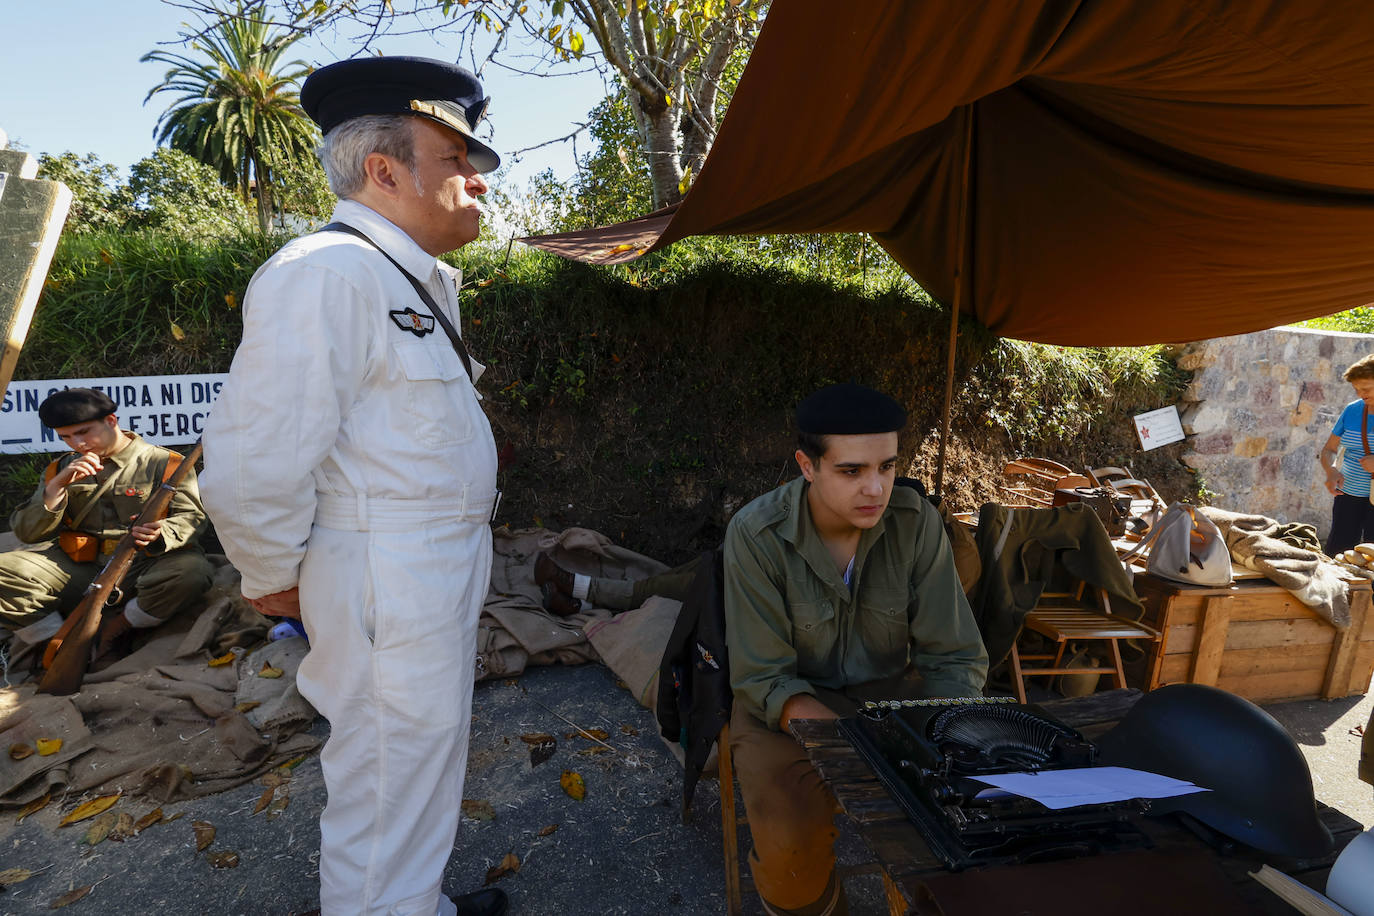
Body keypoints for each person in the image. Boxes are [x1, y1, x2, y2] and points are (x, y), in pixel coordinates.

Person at [200, 57, 506, 916]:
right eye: (459, 162)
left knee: (418, 760)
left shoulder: (399, 275)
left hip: (425, 566)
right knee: (385, 775)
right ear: (384, 170)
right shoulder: (324, 273)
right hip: (386, 569)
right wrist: (271, 577)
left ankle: (417, 905)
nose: (480, 183)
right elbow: (254, 459)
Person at [723, 383, 988, 916]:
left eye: (887, 466)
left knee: (970, 817)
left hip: (891, 700)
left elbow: (954, 656)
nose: (875, 488)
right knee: (789, 852)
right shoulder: (756, 535)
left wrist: (942, 737)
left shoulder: (916, 525)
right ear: (807, 465)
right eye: (851, 471)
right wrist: (859, 747)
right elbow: (765, 678)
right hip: (787, 708)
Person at [0, 388, 211, 657]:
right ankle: (56, 645)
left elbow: (192, 518)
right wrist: (54, 490)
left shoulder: (166, 463)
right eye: (66, 437)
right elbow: (28, 533)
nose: (77, 444)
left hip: (146, 564)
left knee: (192, 572)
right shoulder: (59, 470)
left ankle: (122, 628)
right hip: (81, 568)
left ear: (111, 421)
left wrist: (161, 532)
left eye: (84, 432)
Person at [1320, 354, 1374, 555]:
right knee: (1337, 555)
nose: (1360, 394)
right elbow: (1329, 450)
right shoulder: (1352, 410)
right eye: (1356, 389)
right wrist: (1331, 470)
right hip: (1348, 494)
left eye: (1366, 389)